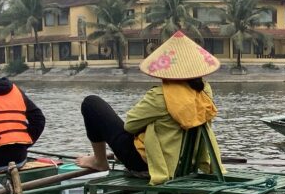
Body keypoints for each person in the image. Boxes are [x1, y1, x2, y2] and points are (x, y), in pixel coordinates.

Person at [77, 31, 225, 185]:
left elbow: (130, 126)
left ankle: (99, 161)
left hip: (149, 165)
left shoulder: (160, 96)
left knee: (91, 103)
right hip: (186, 165)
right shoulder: (205, 91)